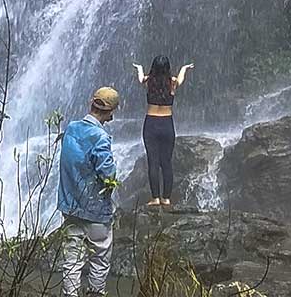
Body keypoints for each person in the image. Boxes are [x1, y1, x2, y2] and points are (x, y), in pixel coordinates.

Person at [57, 86, 120, 297]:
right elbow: (108, 175)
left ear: (91, 103)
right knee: (99, 258)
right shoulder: (100, 137)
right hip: (96, 211)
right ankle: (95, 293)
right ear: (111, 112)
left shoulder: (71, 129)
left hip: (70, 207)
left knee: (72, 260)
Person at [132, 56, 193, 207]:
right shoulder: (172, 83)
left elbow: (140, 78)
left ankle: (155, 198)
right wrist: (184, 68)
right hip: (167, 124)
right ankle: (166, 198)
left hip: (151, 124)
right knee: (166, 162)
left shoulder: (149, 81)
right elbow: (181, 78)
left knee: (153, 162)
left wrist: (139, 68)